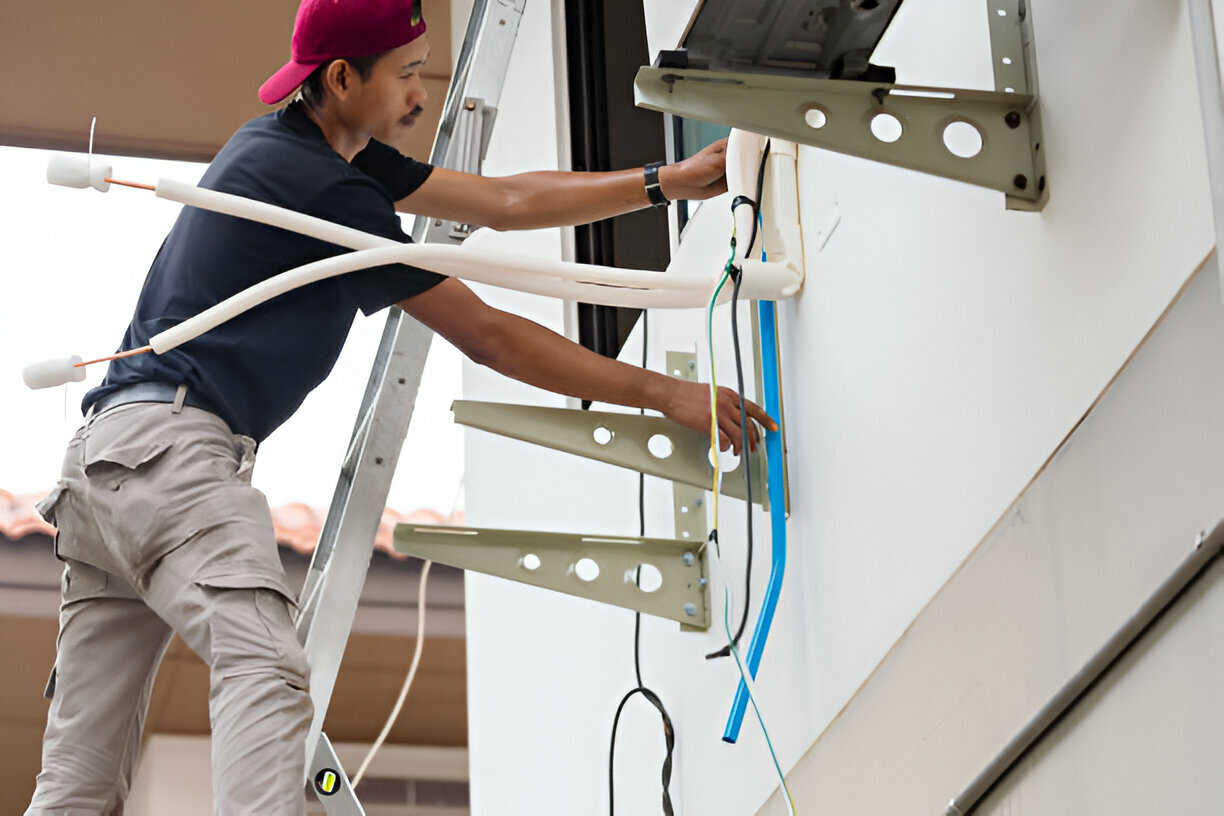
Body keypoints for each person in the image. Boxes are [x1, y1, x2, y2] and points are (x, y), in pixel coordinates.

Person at [25, 0, 776, 813]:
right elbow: (488, 335)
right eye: (407, 74)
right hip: (171, 456)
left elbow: (506, 203)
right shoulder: (321, 190)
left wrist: (665, 182)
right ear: (343, 78)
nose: (420, 94)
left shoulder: (301, 150)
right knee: (265, 667)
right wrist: (661, 393)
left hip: (106, 470)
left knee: (80, 776)